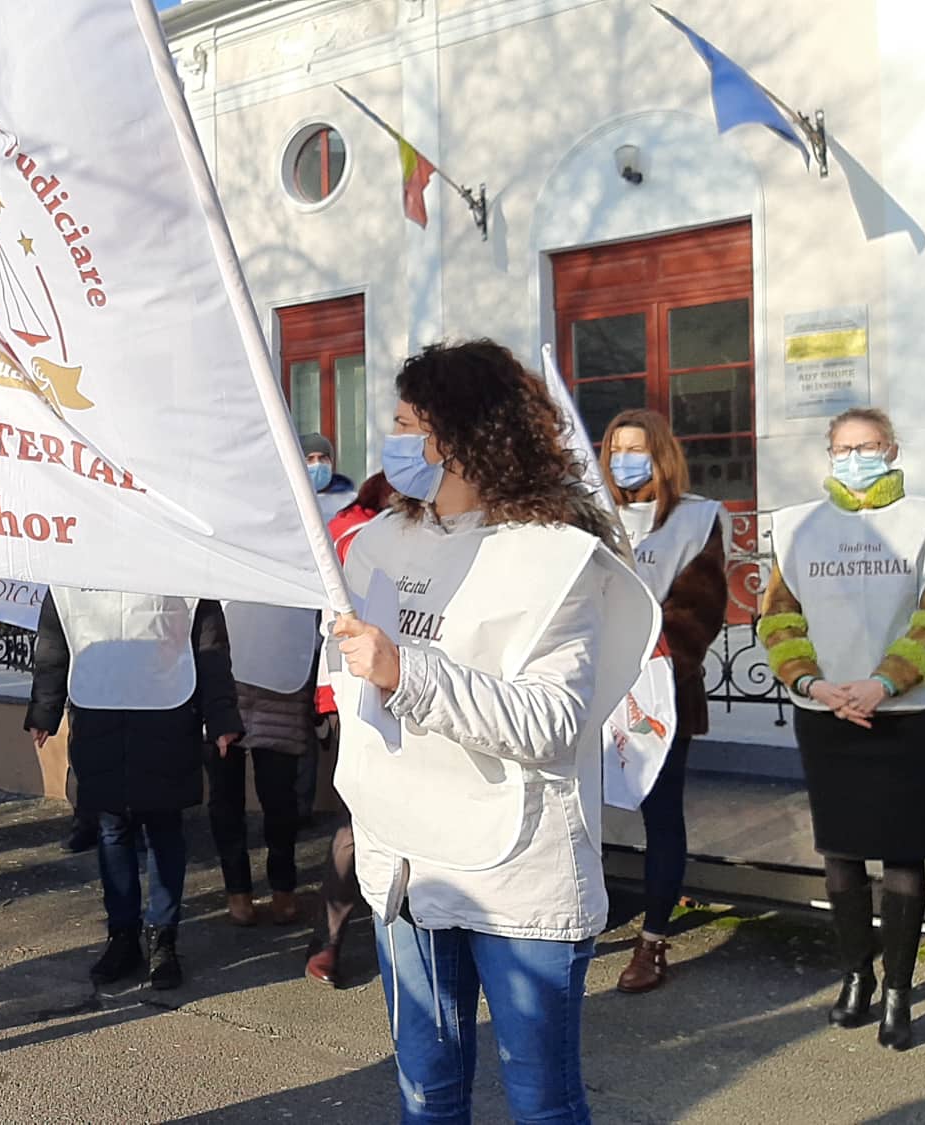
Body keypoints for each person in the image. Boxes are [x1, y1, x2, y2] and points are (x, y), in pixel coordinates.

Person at [329, 340, 656, 1124]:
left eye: (409, 423)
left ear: (458, 436)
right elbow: (357, 695)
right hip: (407, 868)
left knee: (542, 1102)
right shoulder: (377, 544)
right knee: (426, 1093)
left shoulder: (556, 558)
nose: (396, 441)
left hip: (517, 874)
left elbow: (552, 721)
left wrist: (405, 672)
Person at [759, 407, 925, 1052]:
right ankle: (856, 975)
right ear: (828, 455)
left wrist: (883, 683)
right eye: (843, 448)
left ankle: (901, 991)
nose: (855, 457)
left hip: (902, 713)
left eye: (868, 446)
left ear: (892, 449)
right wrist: (810, 683)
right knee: (841, 853)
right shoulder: (797, 526)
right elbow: (777, 620)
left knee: (903, 855)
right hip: (827, 713)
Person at [26, 589, 242, 991]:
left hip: (167, 713)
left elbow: (209, 645)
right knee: (112, 829)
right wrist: (45, 709)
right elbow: (55, 642)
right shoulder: (74, 565)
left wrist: (221, 713)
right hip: (99, 715)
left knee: (164, 828)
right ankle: (122, 936)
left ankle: (163, 937)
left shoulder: (177, 558)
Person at [601, 410, 730, 994]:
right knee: (577, 811)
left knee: (660, 814)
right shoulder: (587, 516)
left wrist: (649, 664)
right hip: (588, 688)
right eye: (616, 449)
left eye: (638, 449)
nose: (626, 460)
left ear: (662, 456)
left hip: (660, 689)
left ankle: (653, 941)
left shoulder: (695, 519)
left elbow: (699, 609)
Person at [305, 472, 391, 988]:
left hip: (425, 699)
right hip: (356, 700)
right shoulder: (349, 535)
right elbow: (332, 624)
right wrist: (325, 694)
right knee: (355, 821)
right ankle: (329, 941)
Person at [214, 601, 317, 928]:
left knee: (280, 799)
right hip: (223, 672)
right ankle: (237, 891)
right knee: (225, 796)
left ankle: (283, 887)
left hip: (282, 668)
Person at [302, 433, 358, 522]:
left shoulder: (350, 501)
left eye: (323, 458)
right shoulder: (292, 501)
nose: (317, 463)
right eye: (310, 459)